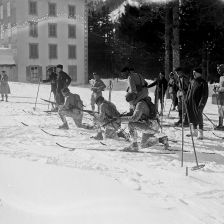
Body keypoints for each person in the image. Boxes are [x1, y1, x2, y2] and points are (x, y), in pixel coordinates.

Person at [186, 68, 208, 139]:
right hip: (191, 102)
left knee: (198, 115)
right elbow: (189, 91)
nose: (193, 74)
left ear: (199, 73)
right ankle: (194, 131)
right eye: (193, 72)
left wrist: (202, 103)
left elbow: (204, 95)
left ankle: (200, 132)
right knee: (192, 115)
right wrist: (187, 99)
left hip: (198, 103)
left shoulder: (203, 82)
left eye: (195, 73)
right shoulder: (192, 81)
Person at [214, 64, 224, 130]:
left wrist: (218, 89)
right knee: (220, 111)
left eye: (219, 69)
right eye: (217, 69)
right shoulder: (221, 77)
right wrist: (216, 87)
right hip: (220, 96)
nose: (218, 70)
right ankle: (220, 125)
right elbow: (221, 86)